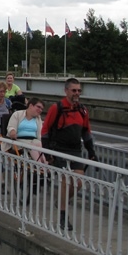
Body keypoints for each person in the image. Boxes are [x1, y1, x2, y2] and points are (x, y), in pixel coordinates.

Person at [41, 78, 97, 231]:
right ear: (66, 91)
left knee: (78, 183)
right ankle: (64, 217)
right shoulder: (56, 108)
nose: (77, 93)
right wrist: (46, 152)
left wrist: (91, 151)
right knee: (66, 181)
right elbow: (45, 130)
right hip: (58, 149)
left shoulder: (82, 110)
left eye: (79, 90)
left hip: (75, 149)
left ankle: (61, 201)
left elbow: (86, 131)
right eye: (74, 90)